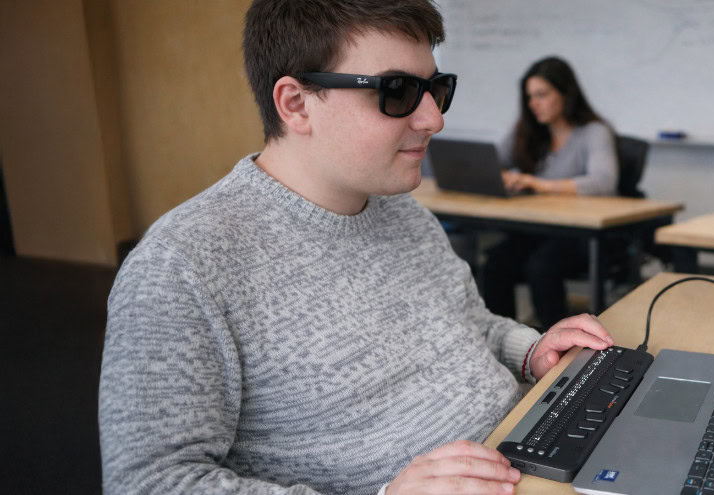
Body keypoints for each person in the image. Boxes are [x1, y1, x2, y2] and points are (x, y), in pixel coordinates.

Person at [97, 2, 615, 494]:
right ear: (296, 104)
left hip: (536, 446)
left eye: (436, 89)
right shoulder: (183, 264)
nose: (433, 119)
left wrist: (527, 351)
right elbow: (150, 482)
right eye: (397, 91)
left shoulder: (402, 210)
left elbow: (469, 324)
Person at [481, 56, 618, 329]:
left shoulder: (593, 132)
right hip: (536, 230)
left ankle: (557, 348)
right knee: (495, 264)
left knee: (541, 267)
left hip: (577, 234)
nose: (534, 104)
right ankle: (506, 343)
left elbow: (604, 182)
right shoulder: (527, 131)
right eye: (530, 96)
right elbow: (491, 162)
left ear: (566, 94)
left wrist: (538, 183)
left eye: (542, 95)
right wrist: (500, 176)